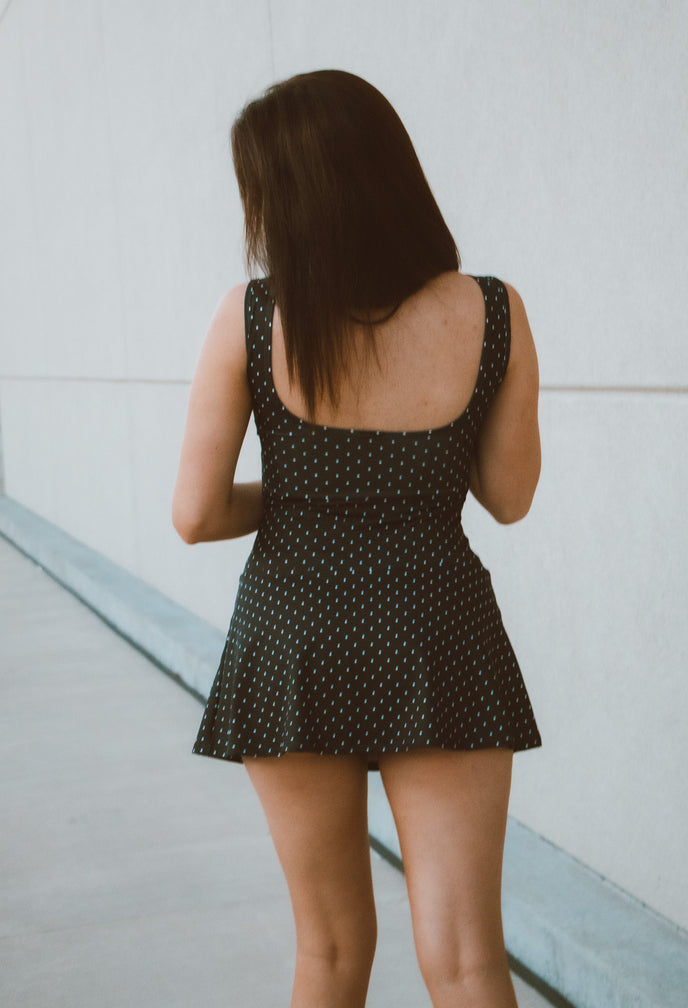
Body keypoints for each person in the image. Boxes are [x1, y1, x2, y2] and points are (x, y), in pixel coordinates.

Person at [172, 69, 542, 1008]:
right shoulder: (492, 310)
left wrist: (308, 494)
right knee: (467, 957)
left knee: (330, 951)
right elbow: (508, 498)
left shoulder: (252, 317)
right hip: (438, 631)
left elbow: (196, 514)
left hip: (294, 634)